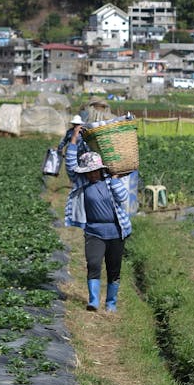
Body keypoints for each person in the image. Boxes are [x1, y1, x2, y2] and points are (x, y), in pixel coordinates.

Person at [64, 123, 132, 312]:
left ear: (101, 169)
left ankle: (111, 303)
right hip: (94, 231)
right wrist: (74, 138)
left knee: (113, 268)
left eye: (94, 171)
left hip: (116, 231)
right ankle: (93, 301)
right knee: (93, 263)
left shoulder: (111, 181)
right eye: (89, 172)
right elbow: (70, 164)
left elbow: (123, 198)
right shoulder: (82, 183)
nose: (92, 174)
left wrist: (117, 180)